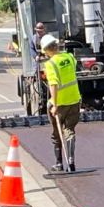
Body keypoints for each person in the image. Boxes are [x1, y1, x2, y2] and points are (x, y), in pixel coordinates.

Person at [41, 34, 82, 172]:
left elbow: (53, 84)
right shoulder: (70, 57)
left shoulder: (50, 64)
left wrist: (54, 104)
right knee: (70, 130)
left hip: (60, 103)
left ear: (46, 50)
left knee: (57, 133)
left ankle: (59, 164)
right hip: (74, 100)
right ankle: (71, 161)